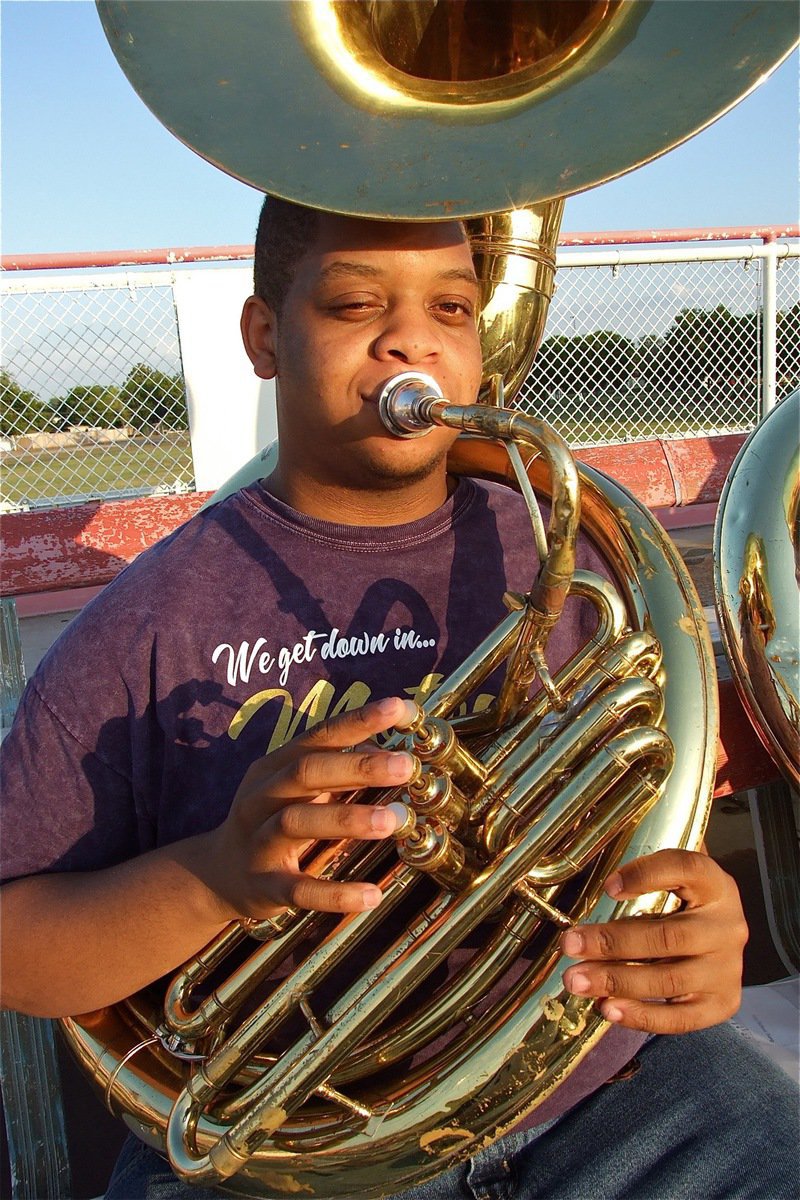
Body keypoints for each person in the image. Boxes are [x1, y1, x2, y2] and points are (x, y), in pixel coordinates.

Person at [0, 198, 796, 1200]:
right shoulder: (141, 626)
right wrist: (213, 876)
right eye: (350, 303)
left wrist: (693, 922)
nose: (411, 336)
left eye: (453, 307)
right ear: (262, 337)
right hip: (282, 1146)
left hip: (603, 1097)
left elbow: (637, 824)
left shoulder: (573, 555)